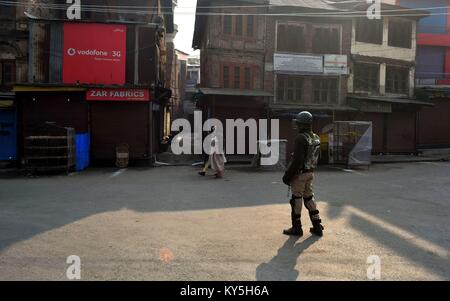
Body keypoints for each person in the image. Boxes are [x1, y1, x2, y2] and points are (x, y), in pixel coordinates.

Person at [282, 111, 324, 237]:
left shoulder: (301, 138)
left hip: (299, 175)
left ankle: (297, 227)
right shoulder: (316, 137)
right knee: (309, 197)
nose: (297, 125)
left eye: (298, 123)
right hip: (310, 172)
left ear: (302, 124)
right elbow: (318, 156)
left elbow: (297, 161)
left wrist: (287, 176)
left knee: (296, 199)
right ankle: (317, 225)